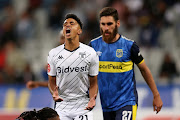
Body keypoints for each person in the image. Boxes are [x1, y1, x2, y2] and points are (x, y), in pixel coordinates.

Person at [89, 7, 163, 120]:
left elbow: (144, 69)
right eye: (103, 24)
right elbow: (87, 74)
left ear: (118, 23)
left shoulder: (129, 46)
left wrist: (156, 95)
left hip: (127, 101)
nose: (106, 28)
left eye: (109, 24)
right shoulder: (93, 46)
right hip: (106, 105)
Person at [47, 13, 99, 120]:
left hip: (83, 106)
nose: (67, 25)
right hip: (62, 106)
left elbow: (93, 82)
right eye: (65, 24)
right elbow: (51, 81)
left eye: (72, 23)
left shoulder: (90, 53)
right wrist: (54, 93)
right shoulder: (53, 53)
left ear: (79, 31)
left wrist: (93, 98)